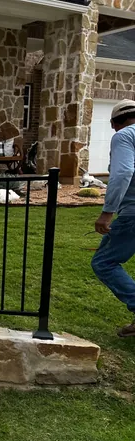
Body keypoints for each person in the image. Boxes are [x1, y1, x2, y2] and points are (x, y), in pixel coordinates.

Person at [92, 99, 135, 337]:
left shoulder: (124, 136)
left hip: (132, 213)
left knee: (104, 262)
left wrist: (107, 212)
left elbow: (123, 172)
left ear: (114, 123)